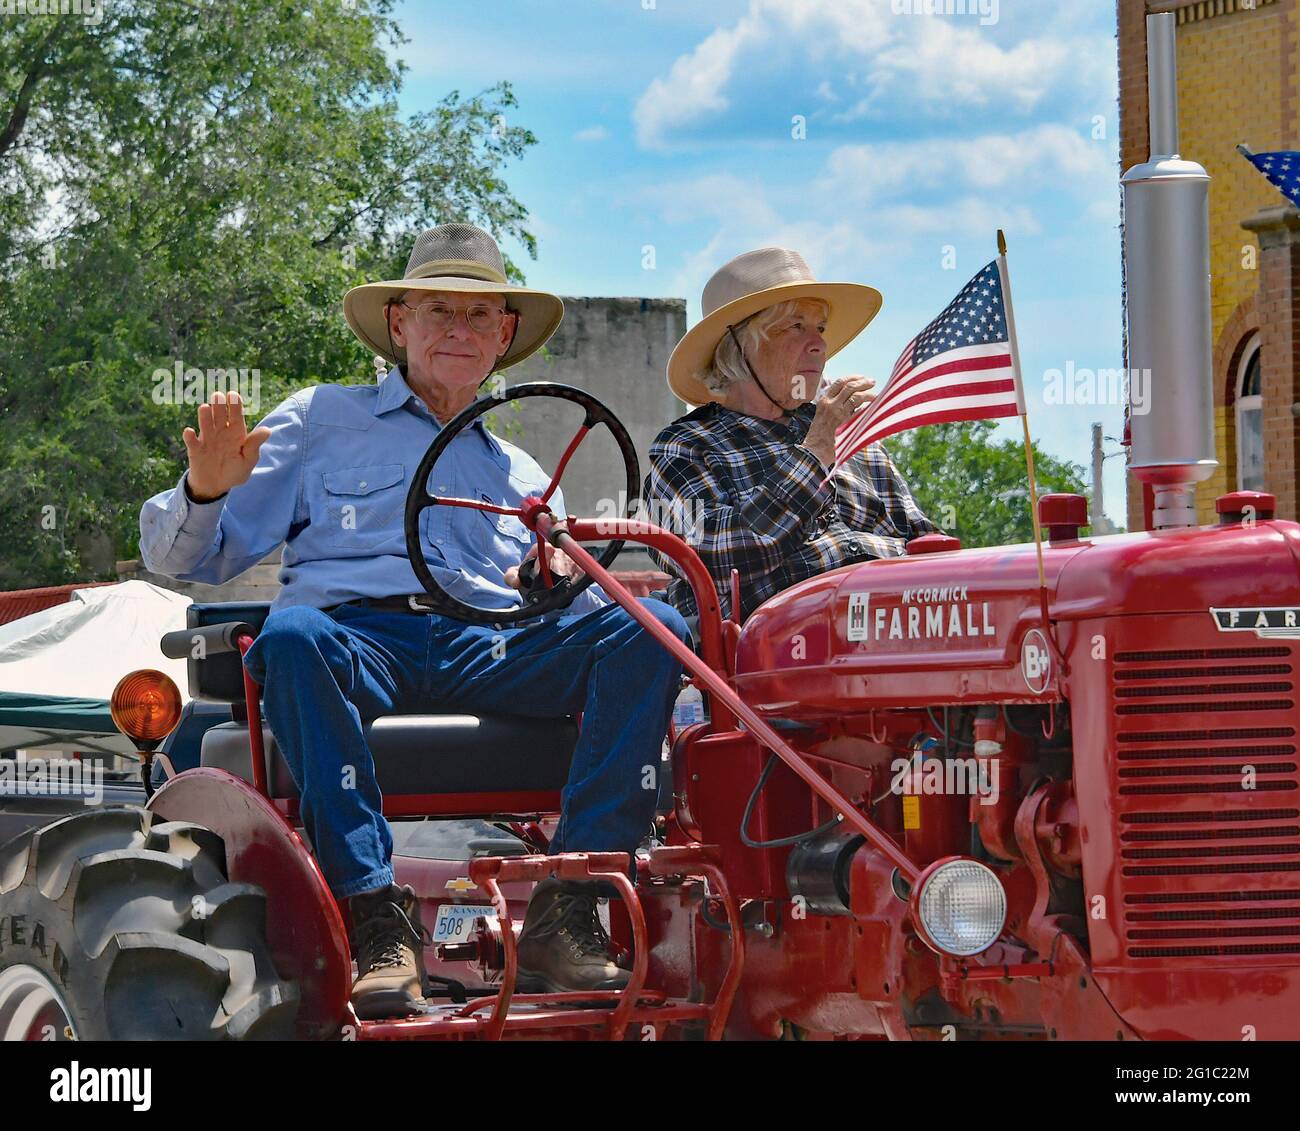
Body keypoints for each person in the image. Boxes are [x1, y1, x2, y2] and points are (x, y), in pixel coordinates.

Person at [140, 223, 690, 1018]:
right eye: (439, 311)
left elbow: (570, 599)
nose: (459, 331)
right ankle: (376, 918)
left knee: (649, 626)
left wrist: (559, 579)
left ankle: (567, 905)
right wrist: (203, 489)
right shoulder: (320, 420)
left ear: (504, 336)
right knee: (291, 636)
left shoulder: (524, 474)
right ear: (400, 325)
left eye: (479, 316)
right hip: (361, 640)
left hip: (489, 644)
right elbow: (191, 556)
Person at [644, 247, 938, 622]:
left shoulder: (852, 433)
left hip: (898, 631)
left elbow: (927, 546)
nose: (819, 344)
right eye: (796, 326)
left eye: (820, 328)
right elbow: (708, 560)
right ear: (739, 346)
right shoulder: (686, 446)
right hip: (781, 652)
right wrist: (815, 453)